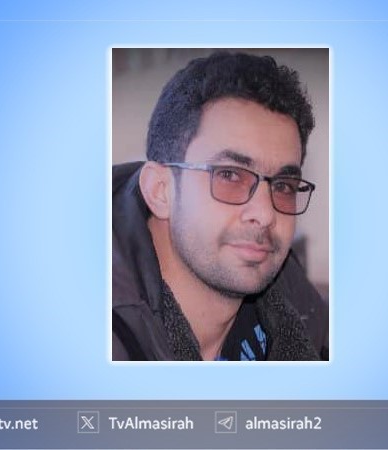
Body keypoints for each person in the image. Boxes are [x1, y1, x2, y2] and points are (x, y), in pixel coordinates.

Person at [112, 51, 328, 361]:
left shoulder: (290, 293)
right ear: (160, 191)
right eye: (229, 175)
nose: (265, 215)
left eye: (283, 186)